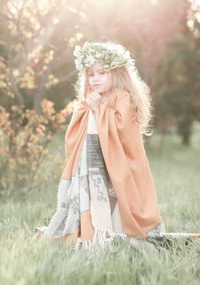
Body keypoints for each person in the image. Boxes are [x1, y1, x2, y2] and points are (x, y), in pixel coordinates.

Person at [34, 40, 166, 250]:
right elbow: (76, 130)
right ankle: (92, 227)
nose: (95, 79)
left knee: (118, 195)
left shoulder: (123, 97)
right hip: (93, 165)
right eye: (91, 74)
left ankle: (116, 230)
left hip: (118, 164)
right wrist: (89, 108)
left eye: (102, 73)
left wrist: (100, 110)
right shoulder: (89, 98)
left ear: (117, 73)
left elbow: (124, 131)